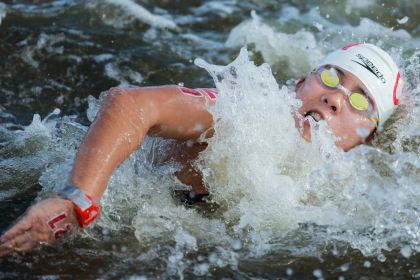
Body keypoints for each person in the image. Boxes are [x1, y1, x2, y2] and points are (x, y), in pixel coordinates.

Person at [0, 43, 404, 256]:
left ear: (366, 139)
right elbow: (130, 104)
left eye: (359, 101)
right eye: (331, 76)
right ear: (300, 84)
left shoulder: (347, 187)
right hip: (95, 200)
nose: (336, 97)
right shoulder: (249, 114)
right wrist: (77, 199)